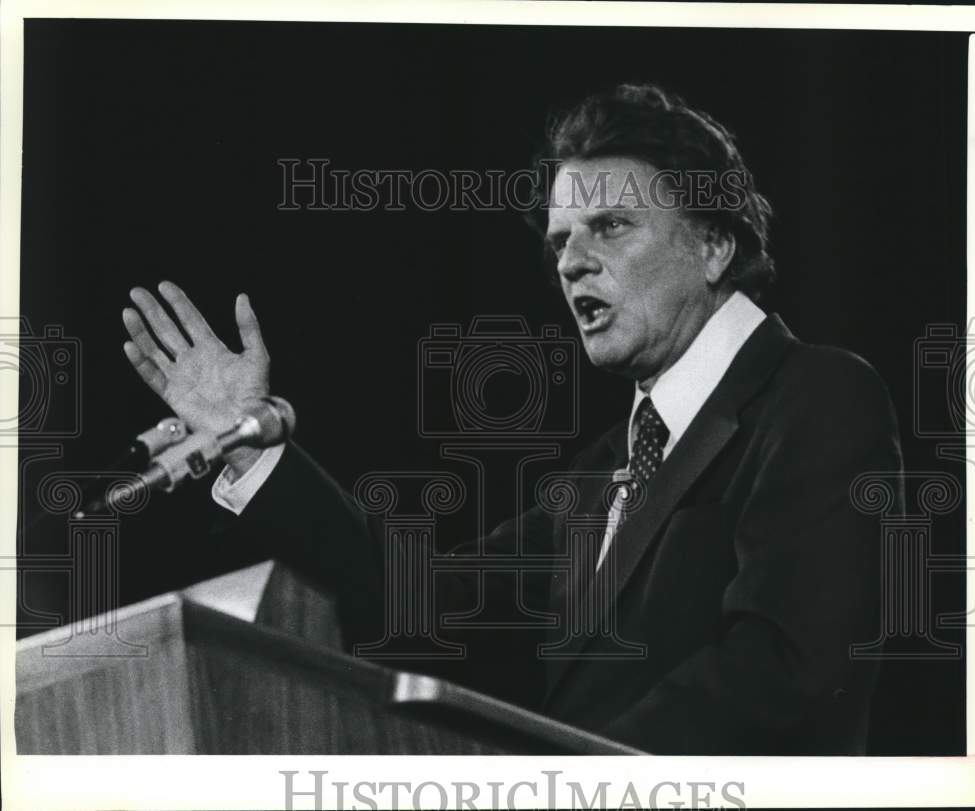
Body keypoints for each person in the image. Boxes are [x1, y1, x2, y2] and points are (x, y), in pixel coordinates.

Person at [121, 84, 903, 754]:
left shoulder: (817, 397)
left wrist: (556, 786)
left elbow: (783, 673)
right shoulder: (601, 472)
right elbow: (421, 602)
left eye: (611, 226)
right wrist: (250, 449)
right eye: (560, 241)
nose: (569, 262)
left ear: (712, 243)